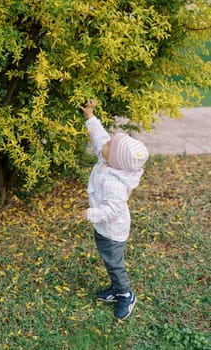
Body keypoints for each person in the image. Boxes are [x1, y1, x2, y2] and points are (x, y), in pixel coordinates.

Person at [80, 99, 149, 320]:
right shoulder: (109, 158)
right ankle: (115, 288)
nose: (105, 145)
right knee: (109, 261)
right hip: (104, 228)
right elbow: (100, 138)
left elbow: (112, 211)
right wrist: (90, 117)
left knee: (114, 264)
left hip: (113, 231)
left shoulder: (116, 184)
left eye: (110, 146)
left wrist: (91, 214)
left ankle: (125, 294)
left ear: (117, 160)